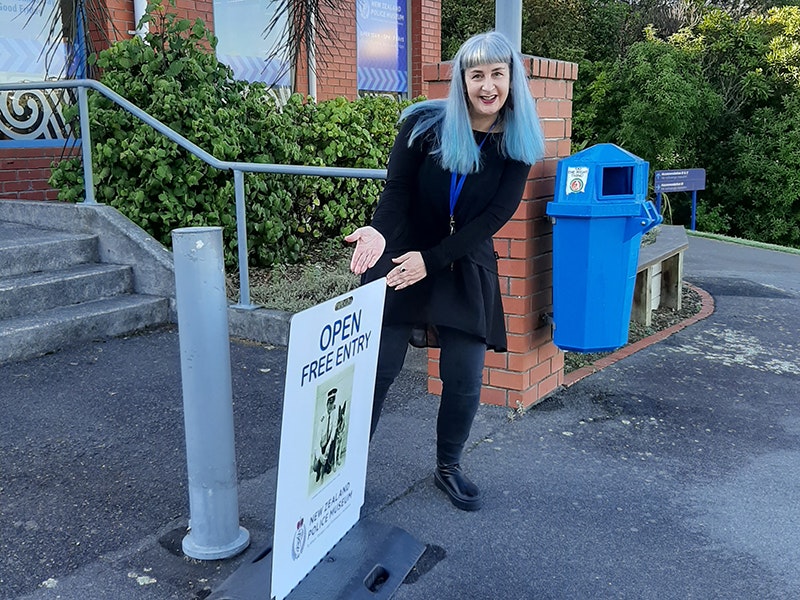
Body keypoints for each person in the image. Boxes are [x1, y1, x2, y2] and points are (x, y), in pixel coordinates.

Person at [345, 31, 545, 511]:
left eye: (497, 74)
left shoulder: (518, 142)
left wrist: (433, 260)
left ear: (512, 79)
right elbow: (396, 191)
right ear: (462, 80)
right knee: (378, 368)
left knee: (464, 376)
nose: (487, 86)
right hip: (402, 251)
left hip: (462, 258)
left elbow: (492, 219)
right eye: (476, 75)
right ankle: (343, 470)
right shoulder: (423, 125)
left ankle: (448, 467)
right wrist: (379, 233)